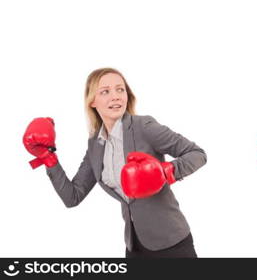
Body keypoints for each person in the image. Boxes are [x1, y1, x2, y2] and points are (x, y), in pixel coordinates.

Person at [23, 67, 207, 258]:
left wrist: (166, 172)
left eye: (120, 89)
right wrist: (48, 159)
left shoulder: (144, 126)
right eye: (105, 91)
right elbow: (72, 197)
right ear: (92, 101)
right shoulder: (96, 144)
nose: (116, 96)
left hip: (172, 243)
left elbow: (197, 153)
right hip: (134, 246)